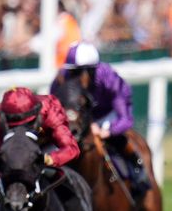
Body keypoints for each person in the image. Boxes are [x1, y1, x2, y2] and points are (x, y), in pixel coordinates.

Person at [0, 87, 93, 211]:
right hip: (14, 152)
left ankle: (81, 210)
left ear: (36, 115)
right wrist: (6, 161)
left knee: (62, 175)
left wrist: (48, 159)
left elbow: (71, 149)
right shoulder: (0, 114)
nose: (20, 129)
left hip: (46, 147)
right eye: (14, 124)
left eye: (26, 124)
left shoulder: (50, 109)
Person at [51, 41, 150, 195]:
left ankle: (137, 170)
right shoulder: (62, 79)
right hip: (78, 117)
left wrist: (107, 131)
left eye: (78, 73)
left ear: (90, 71)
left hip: (106, 115)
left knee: (119, 140)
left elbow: (126, 118)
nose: (74, 79)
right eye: (72, 73)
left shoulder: (109, 79)